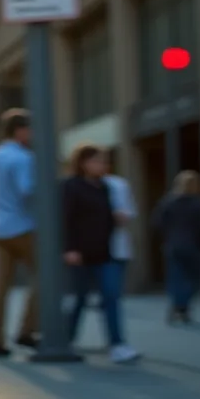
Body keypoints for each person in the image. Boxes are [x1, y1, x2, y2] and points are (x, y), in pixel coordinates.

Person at [63, 145, 140, 363]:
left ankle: (117, 343)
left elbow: (108, 218)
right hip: (80, 252)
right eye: (96, 161)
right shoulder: (71, 186)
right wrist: (70, 248)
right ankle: (66, 340)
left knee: (111, 295)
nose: (102, 166)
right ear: (83, 163)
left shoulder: (104, 187)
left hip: (105, 251)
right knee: (79, 297)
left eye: (104, 161)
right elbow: (66, 219)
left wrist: (119, 219)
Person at [0, 108, 40, 358]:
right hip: (23, 226)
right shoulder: (24, 158)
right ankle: (26, 330)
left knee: (0, 287)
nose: (33, 134)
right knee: (45, 277)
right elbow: (28, 191)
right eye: (30, 129)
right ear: (19, 131)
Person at [152, 170, 200, 324]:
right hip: (192, 245)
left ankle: (178, 305)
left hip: (173, 244)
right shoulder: (198, 204)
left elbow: (157, 223)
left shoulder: (168, 202)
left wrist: (167, 237)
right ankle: (182, 306)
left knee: (176, 277)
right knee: (192, 279)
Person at [103, 161, 137, 312]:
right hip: (90, 247)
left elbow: (129, 212)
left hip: (115, 245)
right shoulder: (78, 185)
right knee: (81, 296)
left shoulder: (118, 184)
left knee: (112, 292)